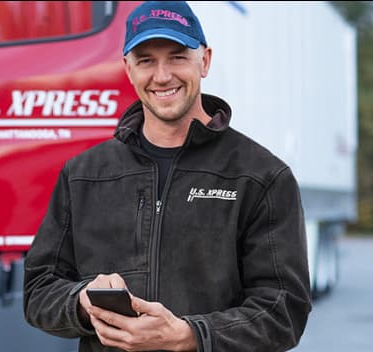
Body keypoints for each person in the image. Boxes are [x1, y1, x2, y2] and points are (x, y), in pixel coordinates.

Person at [23, 1, 312, 351]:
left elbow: (284, 310)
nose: (162, 76)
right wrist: (81, 301)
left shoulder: (261, 176)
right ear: (128, 70)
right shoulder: (83, 175)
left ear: (204, 61)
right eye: (146, 60)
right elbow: (39, 291)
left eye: (177, 57)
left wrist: (191, 336)